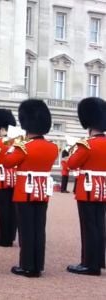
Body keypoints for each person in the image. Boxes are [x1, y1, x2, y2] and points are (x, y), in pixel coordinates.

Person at [4, 99, 58, 278]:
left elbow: (7, 163)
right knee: (39, 228)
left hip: (25, 191)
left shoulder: (23, 147)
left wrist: (11, 145)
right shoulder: (52, 147)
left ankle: (27, 266)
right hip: (42, 191)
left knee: (26, 229)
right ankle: (38, 265)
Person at [66, 97, 106, 276]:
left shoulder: (87, 144)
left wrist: (69, 155)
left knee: (89, 226)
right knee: (100, 225)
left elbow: (72, 163)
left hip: (88, 190)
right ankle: (99, 260)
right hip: (103, 189)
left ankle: (89, 264)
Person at [0, 109, 18, 248]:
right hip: (15, 178)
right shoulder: (18, 141)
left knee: (2, 209)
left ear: (0, 128)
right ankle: (11, 236)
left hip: (0, 179)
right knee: (13, 209)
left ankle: (3, 238)